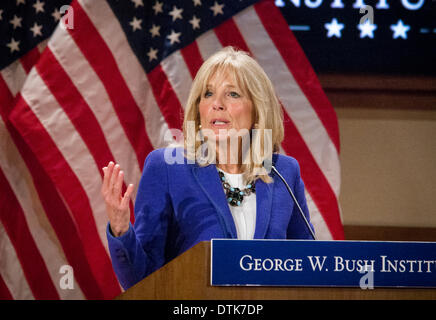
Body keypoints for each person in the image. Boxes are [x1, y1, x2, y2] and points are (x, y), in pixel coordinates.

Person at [101, 46, 315, 290]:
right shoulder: (168, 168)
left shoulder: (282, 172)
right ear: (198, 109)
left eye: (232, 94)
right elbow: (141, 280)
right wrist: (120, 229)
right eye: (208, 94)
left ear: (257, 110)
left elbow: (305, 265)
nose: (217, 104)